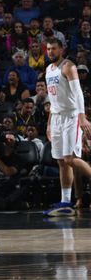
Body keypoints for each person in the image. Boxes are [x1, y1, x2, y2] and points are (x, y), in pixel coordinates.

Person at [43, 37, 91, 216]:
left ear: (61, 49)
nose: (50, 52)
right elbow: (52, 100)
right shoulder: (48, 69)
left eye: (54, 49)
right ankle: (65, 202)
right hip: (56, 117)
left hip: (71, 117)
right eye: (48, 49)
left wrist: (82, 118)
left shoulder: (68, 67)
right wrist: (49, 123)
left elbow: (78, 94)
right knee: (62, 162)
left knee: (71, 158)